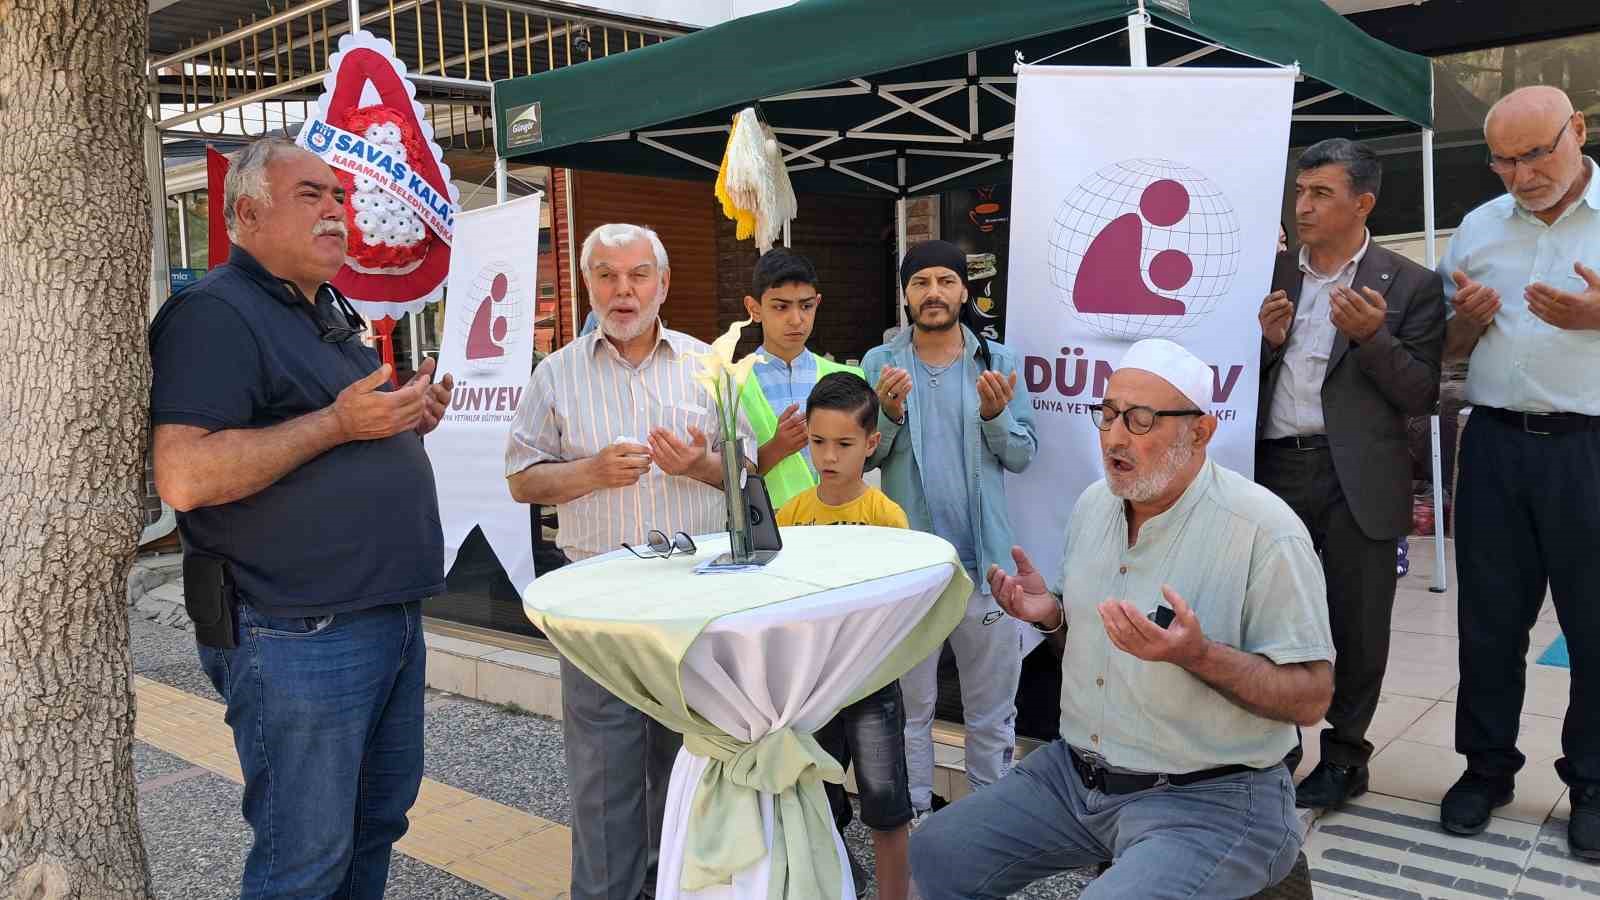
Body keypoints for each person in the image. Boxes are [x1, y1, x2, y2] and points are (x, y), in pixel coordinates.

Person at [909, 339, 1334, 899]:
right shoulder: (1094, 506)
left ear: (1200, 432)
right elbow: (1090, 648)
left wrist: (1197, 655)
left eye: (1140, 420)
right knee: (937, 850)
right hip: (1076, 776)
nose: (1114, 436)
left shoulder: (1263, 531)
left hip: (1213, 796)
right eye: (1107, 415)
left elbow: (1311, 697)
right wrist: (1054, 616)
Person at [148, 138, 453, 899]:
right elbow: (184, 475)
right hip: (297, 633)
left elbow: (339, 428)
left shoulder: (324, 307)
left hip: (380, 617)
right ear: (248, 212)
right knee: (305, 862)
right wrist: (341, 426)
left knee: (374, 827)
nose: (336, 212)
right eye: (311, 195)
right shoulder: (213, 313)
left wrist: (403, 420)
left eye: (340, 198)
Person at [505, 223, 754, 898]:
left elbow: (750, 474)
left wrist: (701, 464)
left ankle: (679, 887)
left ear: (663, 283)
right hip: (598, 604)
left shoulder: (709, 365)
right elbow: (522, 478)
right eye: (607, 275)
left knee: (693, 769)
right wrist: (588, 472)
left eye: (638, 274)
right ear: (588, 284)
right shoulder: (554, 373)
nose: (623, 290)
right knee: (604, 777)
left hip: (695, 600)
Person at [1256, 138, 1445, 808]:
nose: (1303, 206)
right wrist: (1266, 344)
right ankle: (1270, 751)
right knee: (1269, 616)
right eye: (1300, 192)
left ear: (1362, 202)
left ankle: (1344, 755)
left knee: (1358, 621)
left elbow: (1423, 393)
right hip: (1275, 469)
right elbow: (1233, 373)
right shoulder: (1272, 273)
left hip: (1358, 477)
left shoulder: (1410, 284)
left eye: (1320, 194)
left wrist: (1375, 338)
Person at [1436, 85, 1599, 856]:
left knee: (1596, 626)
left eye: (1536, 154)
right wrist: (1460, 325)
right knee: (1489, 625)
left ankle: (1594, 782)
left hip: (1592, 449)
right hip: (1497, 441)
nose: (1521, 175)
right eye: (1503, 160)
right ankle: (1486, 767)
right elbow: (1444, 344)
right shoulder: (1477, 227)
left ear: (1579, 130)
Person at [863, 239, 1038, 823]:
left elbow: (1022, 455)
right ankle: (914, 825)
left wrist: (994, 417)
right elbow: (865, 456)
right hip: (911, 574)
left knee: (991, 714)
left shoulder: (1000, 362)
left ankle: (989, 829)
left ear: (965, 291)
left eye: (945, 281)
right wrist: (885, 415)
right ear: (906, 294)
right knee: (911, 710)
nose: (933, 293)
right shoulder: (878, 365)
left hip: (986, 570)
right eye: (920, 283)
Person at [776, 371, 914, 900]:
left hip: (871, 684)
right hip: (811, 690)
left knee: (886, 806)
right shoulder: (790, 517)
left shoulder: (886, 517)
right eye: (816, 442)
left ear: (871, 444)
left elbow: (903, 605)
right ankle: (837, 885)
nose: (828, 456)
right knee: (815, 801)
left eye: (844, 444)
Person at [740, 248, 865, 510]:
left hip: (837, 526)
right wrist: (777, 447)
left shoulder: (849, 379)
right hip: (767, 532)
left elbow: (864, 458)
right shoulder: (731, 385)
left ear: (817, 303)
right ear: (754, 309)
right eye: (780, 307)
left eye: (806, 306)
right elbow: (727, 477)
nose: (796, 319)